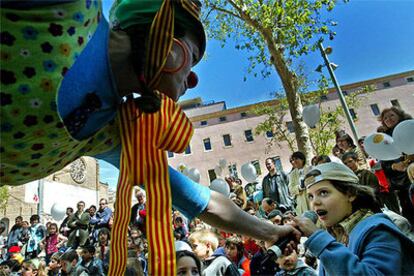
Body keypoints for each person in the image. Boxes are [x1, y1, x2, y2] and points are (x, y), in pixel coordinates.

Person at [1, 0, 300, 272]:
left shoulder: (113, 133)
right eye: (192, 59)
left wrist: (271, 232)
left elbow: (201, 201)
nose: (192, 80)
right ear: (171, 49)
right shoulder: (70, 9)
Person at [294, 162, 414, 275]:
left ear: (350, 194)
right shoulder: (335, 234)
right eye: (310, 196)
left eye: (323, 192)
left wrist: (317, 238)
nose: (315, 202)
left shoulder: (379, 231)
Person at [377, 106, 414, 223]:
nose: (389, 119)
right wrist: (394, 166)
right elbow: (385, 164)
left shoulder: (410, 127)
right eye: (385, 118)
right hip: (402, 184)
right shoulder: (385, 140)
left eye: (392, 115)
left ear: (399, 115)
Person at [288, 151, 311, 215]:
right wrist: (299, 187)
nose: (294, 161)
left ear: (302, 159)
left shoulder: (310, 169)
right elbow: (291, 189)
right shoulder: (292, 174)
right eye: (293, 159)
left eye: (296, 159)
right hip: (301, 205)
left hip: (311, 200)